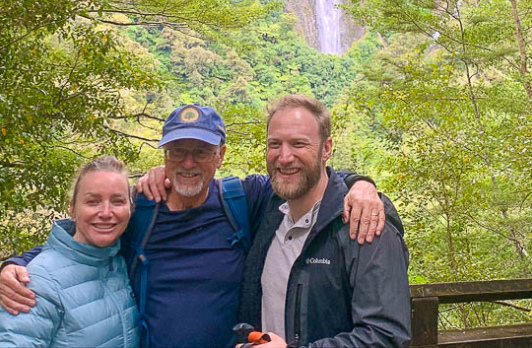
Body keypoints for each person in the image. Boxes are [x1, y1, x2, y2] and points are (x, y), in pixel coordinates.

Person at [0, 104, 392, 348]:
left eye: (201, 151)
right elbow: (85, 236)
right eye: (178, 152)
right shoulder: (140, 210)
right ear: (165, 155)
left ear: (220, 155)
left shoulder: (245, 199)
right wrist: (15, 263)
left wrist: (362, 187)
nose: (188, 163)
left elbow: (307, 178)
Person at [238, 95, 411, 347]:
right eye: (274, 144)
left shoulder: (364, 224)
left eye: (298, 143)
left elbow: (386, 337)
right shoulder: (268, 211)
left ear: (326, 149)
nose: (284, 157)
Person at [0, 156, 139, 347]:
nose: (106, 213)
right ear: (73, 209)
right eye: (93, 202)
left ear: (130, 209)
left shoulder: (118, 262)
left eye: (117, 201)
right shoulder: (37, 281)